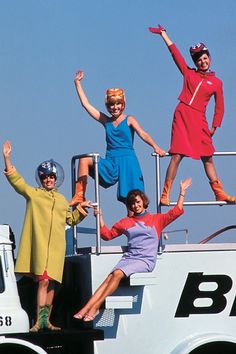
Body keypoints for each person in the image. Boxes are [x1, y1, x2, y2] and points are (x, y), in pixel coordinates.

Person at [3, 141, 92, 332]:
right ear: (41, 179)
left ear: (55, 178)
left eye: (51, 177)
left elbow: (71, 220)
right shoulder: (34, 195)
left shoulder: (61, 200)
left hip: (56, 249)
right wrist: (7, 159)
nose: (48, 180)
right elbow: (17, 182)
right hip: (41, 247)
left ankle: (46, 320)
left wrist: (81, 210)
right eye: (45, 177)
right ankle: (38, 321)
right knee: (43, 281)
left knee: (52, 283)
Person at [73, 177, 191, 322]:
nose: (135, 206)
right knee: (109, 277)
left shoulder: (156, 220)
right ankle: (86, 308)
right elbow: (107, 235)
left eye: (138, 202)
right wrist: (100, 217)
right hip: (129, 258)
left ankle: (96, 307)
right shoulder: (126, 222)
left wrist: (182, 192)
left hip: (145, 260)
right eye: (132, 203)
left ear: (143, 202)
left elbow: (177, 211)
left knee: (116, 273)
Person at [148, 24, 236, 205]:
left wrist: (214, 126)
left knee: (208, 157)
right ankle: (165, 194)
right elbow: (176, 55)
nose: (202, 62)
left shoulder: (217, 83)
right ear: (195, 62)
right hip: (182, 115)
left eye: (205, 58)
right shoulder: (189, 74)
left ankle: (219, 192)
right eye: (199, 60)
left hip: (200, 119)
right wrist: (164, 35)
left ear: (209, 58)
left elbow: (220, 107)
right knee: (177, 155)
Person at [69, 70, 166, 207]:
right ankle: (79, 195)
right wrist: (77, 83)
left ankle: (135, 225)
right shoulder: (106, 121)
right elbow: (86, 105)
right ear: (107, 106)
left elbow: (142, 133)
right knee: (85, 159)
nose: (115, 107)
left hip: (128, 160)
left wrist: (155, 146)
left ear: (123, 104)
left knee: (132, 200)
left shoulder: (129, 119)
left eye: (117, 104)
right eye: (111, 105)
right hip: (111, 161)